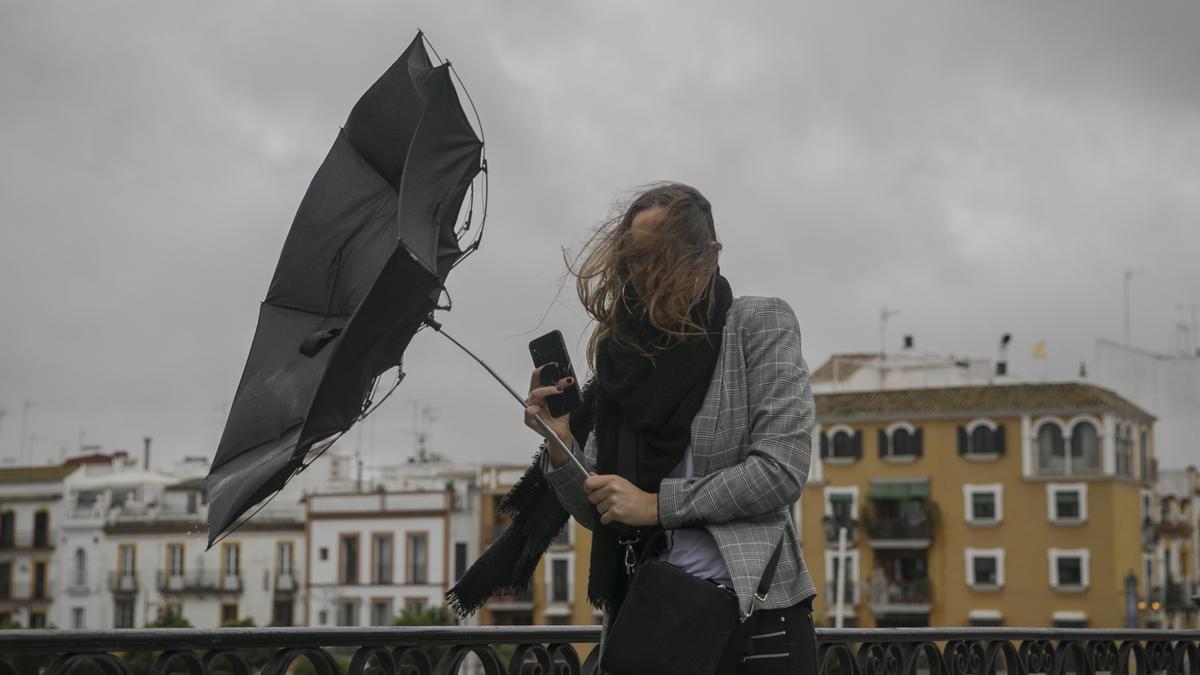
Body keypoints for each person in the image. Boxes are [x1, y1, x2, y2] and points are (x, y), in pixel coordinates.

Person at [523, 182, 818, 674]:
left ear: (710, 254)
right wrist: (559, 443)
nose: (648, 271)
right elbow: (603, 510)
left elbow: (781, 469)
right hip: (654, 620)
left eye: (666, 254)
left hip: (753, 622)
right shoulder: (624, 358)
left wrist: (658, 506)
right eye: (637, 257)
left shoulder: (756, 323)